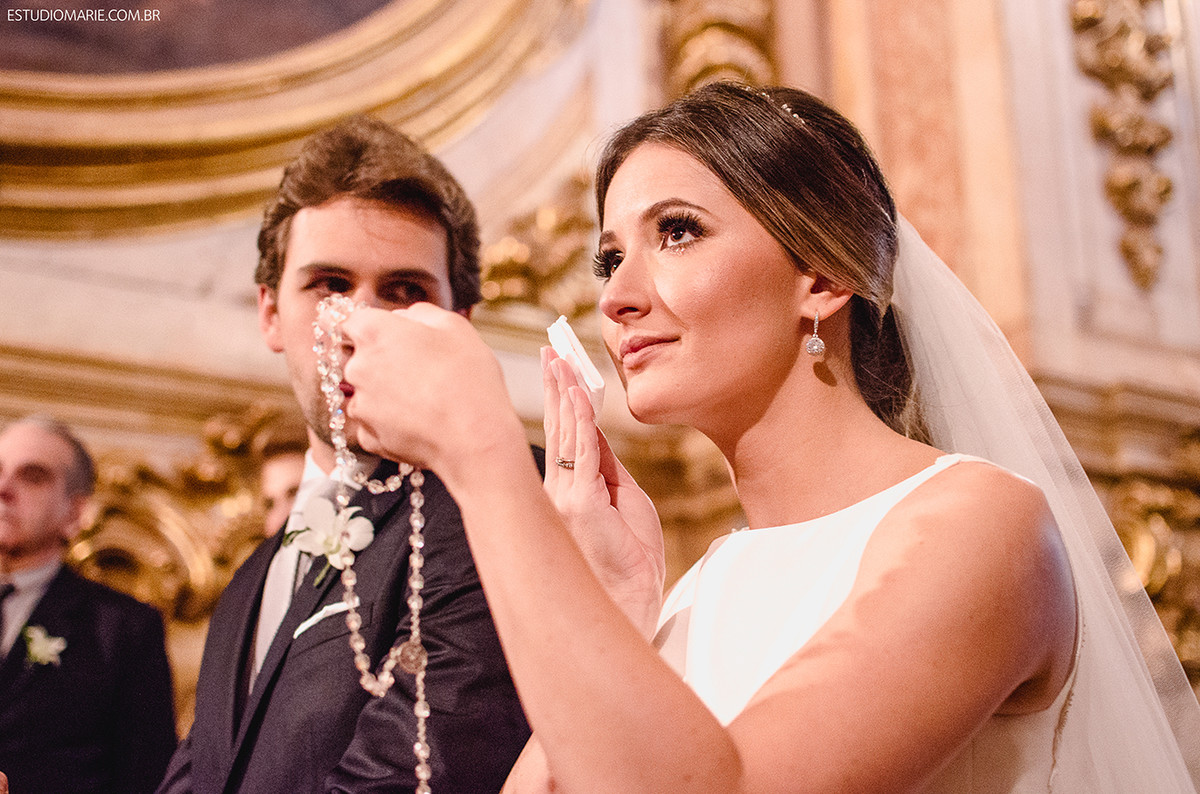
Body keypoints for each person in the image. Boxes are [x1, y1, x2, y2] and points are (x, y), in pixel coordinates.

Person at [335, 82, 1200, 791]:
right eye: (609, 258)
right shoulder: (703, 587)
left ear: (819, 275)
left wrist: (488, 465)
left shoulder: (983, 527)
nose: (616, 295)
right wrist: (617, 610)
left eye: (676, 233)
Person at [157, 115, 530, 794]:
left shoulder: (494, 498)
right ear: (269, 312)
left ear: (460, 322)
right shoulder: (245, 585)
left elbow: (430, 770)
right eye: (329, 284)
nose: (359, 324)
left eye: (405, 291)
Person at [0, 416, 177, 794]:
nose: (3, 488)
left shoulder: (124, 628)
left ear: (75, 513)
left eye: (32, 476)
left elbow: (145, 777)